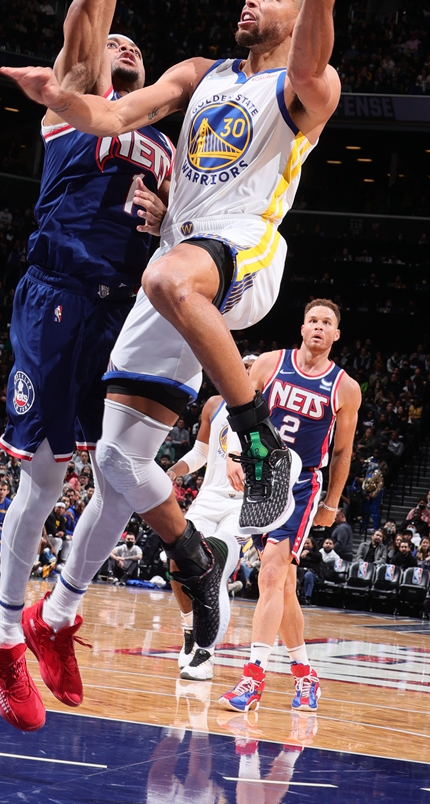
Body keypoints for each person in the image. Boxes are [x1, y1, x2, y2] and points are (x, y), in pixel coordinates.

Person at [2, 0, 357, 551]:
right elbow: (114, 112)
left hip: (243, 247)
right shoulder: (201, 74)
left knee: (167, 276)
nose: (250, 1)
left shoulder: (305, 91)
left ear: (297, 18)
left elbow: (316, 63)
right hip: (180, 263)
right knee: (117, 459)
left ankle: (261, 447)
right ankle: (191, 583)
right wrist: (60, 99)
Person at [0, 0, 178, 733]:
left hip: (123, 312)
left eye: (140, 47)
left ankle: (61, 616)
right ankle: (6, 635)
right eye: (115, 40)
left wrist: (170, 215)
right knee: (43, 479)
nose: (124, 43)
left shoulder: (172, 152)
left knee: (119, 476)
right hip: (58, 293)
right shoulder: (73, 94)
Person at [219, 299, 361, 714]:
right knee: (281, 587)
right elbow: (237, 413)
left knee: (271, 574)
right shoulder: (268, 363)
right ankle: (305, 674)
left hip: (302, 484)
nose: (318, 327)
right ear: (302, 327)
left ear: (336, 335)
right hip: (264, 478)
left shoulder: (345, 387)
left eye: (327, 323)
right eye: (313, 320)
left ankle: (253, 679)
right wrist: (232, 455)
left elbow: (342, 451)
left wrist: (332, 503)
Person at [166, 358, 253, 681]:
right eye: (240, 365)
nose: (243, 371)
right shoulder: (214, 405)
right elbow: (201, 453)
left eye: (250, 369)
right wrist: (174, 471)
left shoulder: (265, 410)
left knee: (211, 567)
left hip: (242, 504)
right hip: (208, 498)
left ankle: (206, 653)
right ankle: (190, 630)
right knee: (177, 560)